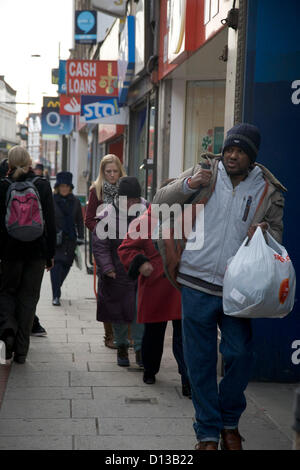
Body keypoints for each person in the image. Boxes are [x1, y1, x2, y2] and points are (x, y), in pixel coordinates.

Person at [153, 123, 286, 450]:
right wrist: (188, 183)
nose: (232, 155)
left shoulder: (268, 191)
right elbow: (160, 200)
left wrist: (265, 233)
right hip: (195, 282)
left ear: (252, 157)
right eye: (229, 149)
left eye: (240, 151)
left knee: (240, 355)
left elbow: (277, 241)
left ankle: (229, 419)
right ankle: (208, 433)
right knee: (198, 362)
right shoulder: (205, 172)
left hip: (237, 289)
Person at [118, 203, 191, 397]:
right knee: (153, 333)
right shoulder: (143, 222)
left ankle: (188, 379)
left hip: (182, 285)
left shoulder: (188, 219)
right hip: (155, 285)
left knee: (184, 336)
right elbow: (126, 249)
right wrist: (141, 262)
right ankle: (150, 370)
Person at [0, 146, 56, 363]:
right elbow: (50, 223)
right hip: (37, 252)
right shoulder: (41, 185)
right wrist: (50, 254)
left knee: (6, 293)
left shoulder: (3, 185)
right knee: (29, 299)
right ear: (30, 162)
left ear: (10, 163)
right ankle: (22, 351)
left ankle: (8, 332)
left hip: (9, 253)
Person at [92, 176, 147, 367]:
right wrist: (107, 268)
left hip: (141, 272)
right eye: (128, 200)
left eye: (135, 199)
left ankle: (140, 350)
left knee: (139, 313)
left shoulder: (148, 212)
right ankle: (122, 346)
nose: (132, 203)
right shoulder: (107, 215)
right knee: (119, 313)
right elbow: (100, 245)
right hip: (117, 272)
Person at [85, 154, 126, 349]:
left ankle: (125, 335)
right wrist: (103, 230)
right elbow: (89, 219)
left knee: (127, 290)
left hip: (125, 245)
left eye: (115, 171)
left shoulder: (127, 189)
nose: (111, 175)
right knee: (107, 291)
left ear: (120, 170)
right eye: (108, 171)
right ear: (102, 172)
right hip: (104, 247)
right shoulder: (96, 190)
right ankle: (109, 335)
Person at [51, 171, 84, 306]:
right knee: (56, 266)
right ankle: (55, 295)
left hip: (70, 240)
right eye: (62, 186)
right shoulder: (52, 200)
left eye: (67, 186)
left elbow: (80, 221)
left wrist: (81, 237)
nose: (64, 188)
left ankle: (57, 287)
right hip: (56, 240)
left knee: (66, 265)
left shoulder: (75, 201)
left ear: (70, 187)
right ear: (58, 187)